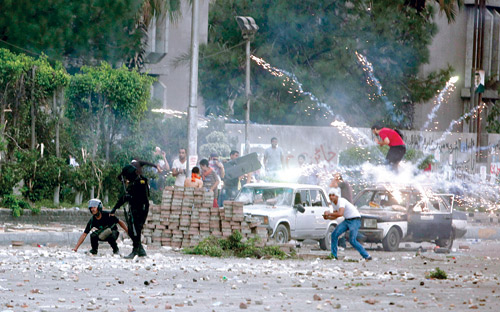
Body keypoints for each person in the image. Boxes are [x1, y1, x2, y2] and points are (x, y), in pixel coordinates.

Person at [111, 161, 156, 259]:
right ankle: (140, 250)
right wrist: (114, 208)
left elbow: (142, 197)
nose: (127, 179)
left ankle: (135, 251)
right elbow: (123, 197)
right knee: (131, 230)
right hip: (134, 208)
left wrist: (131, 197)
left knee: (136, 229)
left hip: (141, 208)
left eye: (127, 176)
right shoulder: (132, 182)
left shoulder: (141, 181)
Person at [323, 188, 372, 261]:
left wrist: (329, 213)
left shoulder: (341, 201)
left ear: (337, 196)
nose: (331, 197)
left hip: (355, 219)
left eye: (333, 195)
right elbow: (336, 216)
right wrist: (328, 217)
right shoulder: (334, 203)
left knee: (352, 240)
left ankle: (366, 255)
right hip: (347, 220)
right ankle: (334, 255)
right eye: (330, 195)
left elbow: (340, 213)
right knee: (334, 234)